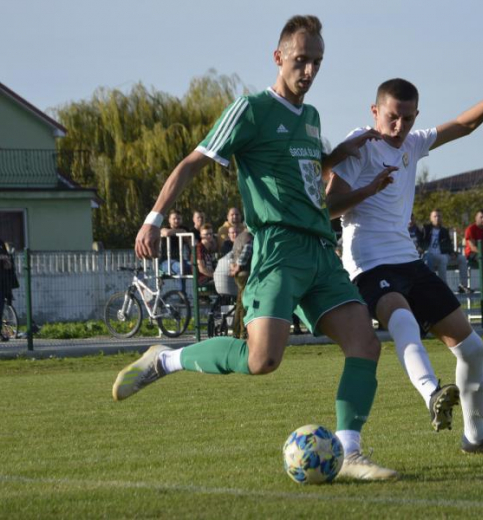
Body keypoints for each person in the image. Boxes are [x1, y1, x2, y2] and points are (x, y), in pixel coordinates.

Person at [112, 15, 398, 480]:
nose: (309, 71)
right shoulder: (249, 109)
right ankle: (164, 359)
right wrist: (154, 219)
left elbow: (304, 178)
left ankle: (349, 455)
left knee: (365, 344)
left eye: (317, 63)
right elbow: (192, 162)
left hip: (321, 249)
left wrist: (335, 159)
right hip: (278, 249)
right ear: (279, 56)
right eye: (301, 60)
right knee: (262, 360)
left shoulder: (311, 118)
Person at [327, 73, 483, 455]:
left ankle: (476, 436)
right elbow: (329, 207)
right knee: (401, 320)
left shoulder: (412, 144)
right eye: (392, 117)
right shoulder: (359, 144)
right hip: (369, 265)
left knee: (473, 349)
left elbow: (462, 125)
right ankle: (433, 393)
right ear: (375, 111)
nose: (400, 127)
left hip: (409, 261)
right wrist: (369, 189)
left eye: (409, 118)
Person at [422, 209, 469, 291]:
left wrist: (452, 252)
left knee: (462, 258)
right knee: (443, 258)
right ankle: (444, 287)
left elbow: (448, 245)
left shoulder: (444, 231)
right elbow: (421, 242)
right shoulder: (426, 229)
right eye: (435, 216)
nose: (437, 218)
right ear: (431, 218)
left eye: (439, 216)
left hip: (444, 255)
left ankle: (463, 285)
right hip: (431, 256)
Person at [229, 230, 254, 338]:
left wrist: (233, 267)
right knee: (243, 305)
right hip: (244, 273)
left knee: (239, 304)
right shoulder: (249, 237)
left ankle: (236, 331)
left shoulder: (239, 237)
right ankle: (242, 332)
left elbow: (231, 254)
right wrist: (239, 266)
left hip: (237, 275)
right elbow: (247, 250)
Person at [159, 209, 192, 276]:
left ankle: (198, 286)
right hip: (165, 261)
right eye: (174, 219)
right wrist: (181, 231)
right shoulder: (165, 228)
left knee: (196, 267)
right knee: (180, 268)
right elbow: (166, 233)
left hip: (181, 259)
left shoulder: (185, 229)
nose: (176, 221)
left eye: (179, 219)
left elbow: (189, 241)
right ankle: (181, 287)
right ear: (169, 220)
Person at [195, 224, 216, 289]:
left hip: (209, 277)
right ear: (201, 235)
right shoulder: (199, 248)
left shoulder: (210, 248)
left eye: (211, 234)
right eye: (206, 234)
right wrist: (216, 276)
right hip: (202, 279)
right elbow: (202, 269)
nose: (209, 236)